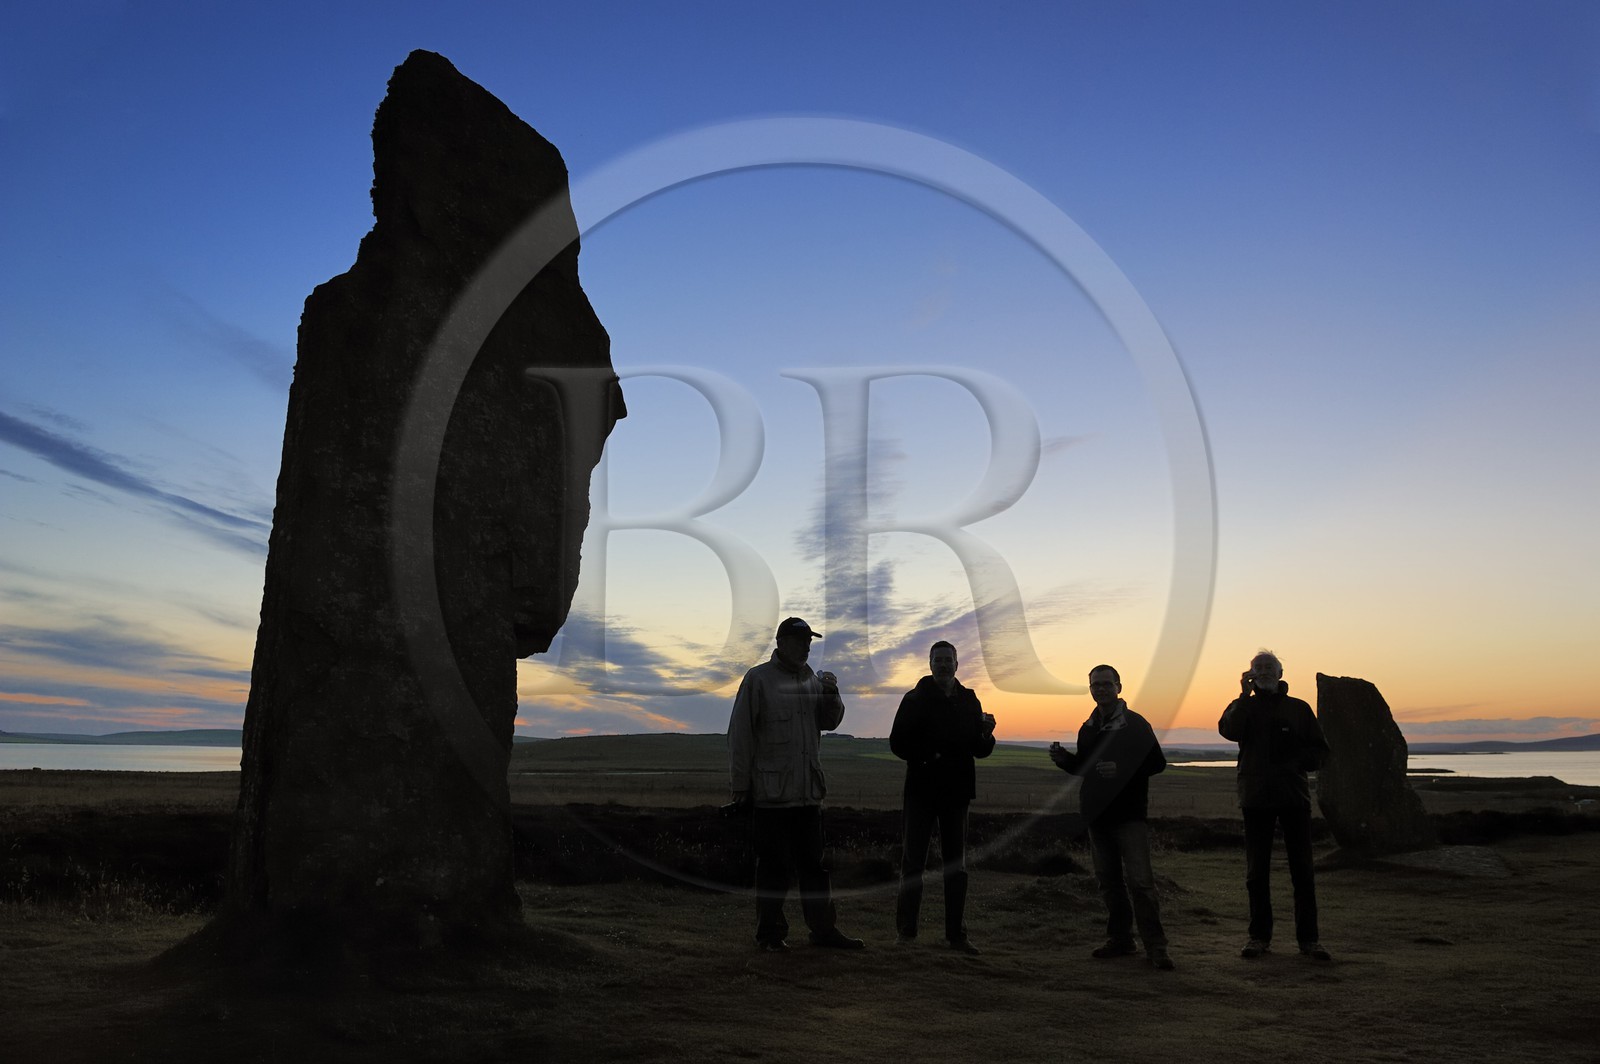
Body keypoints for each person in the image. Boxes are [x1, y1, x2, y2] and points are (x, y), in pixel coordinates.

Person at [727, 617, 864, 952]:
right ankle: (770, 935)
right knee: (774, 868)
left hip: (807, 796)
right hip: (771, 797)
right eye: (801, 640)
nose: (806, 646)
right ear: (782, 642)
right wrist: (741, 787)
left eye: (809, 641)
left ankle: (823, 932)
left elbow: (830, 722)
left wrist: (832, 693)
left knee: (814, 869)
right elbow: (740, 736)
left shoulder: (813, 682)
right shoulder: (758, 680)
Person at [1048, 664, 1173, 970]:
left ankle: (1156, 947)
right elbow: (1087, 769)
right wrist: (1065, 761)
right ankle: (1121, 940)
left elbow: (1157, 763)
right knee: (1109, 882)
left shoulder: (1135, 724)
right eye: (1095, 685)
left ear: (1119, 686)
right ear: (1090, 689)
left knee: (1141, 883)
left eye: (1106, 684)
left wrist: (1122, 769)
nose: (1101, 689)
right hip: (1097, 816)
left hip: (1129, 816)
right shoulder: (1088, 727)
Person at [1218, 650, 1332, 961]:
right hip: (1255, 796)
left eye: (1270, 667)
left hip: (1293, 796)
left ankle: (1309, 941)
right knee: (1257, 872)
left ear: (1281, 674)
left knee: (1303, 872)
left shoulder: (1298, 709)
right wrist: (1242, 696)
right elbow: (1229, 731)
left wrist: (1294, 754)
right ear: (1250, 674)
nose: (1265, 671)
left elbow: (1320, 753)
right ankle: (1258, 938)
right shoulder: (1243, 706)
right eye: (1259, 668)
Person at [888, 640, 997, 954]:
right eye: (938, 660)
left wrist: (987, 735)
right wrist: (929, 756)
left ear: (957, 664)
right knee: (912, 864)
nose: (944, 665)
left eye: (948, 660)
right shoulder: (914, 699)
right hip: (921, 792)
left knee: (956, 866)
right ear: (930, 663)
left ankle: (956, 936)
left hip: (957, 793)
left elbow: (979, 749)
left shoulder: (969, 699)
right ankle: (906, 934)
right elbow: (897, 743)